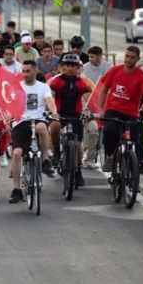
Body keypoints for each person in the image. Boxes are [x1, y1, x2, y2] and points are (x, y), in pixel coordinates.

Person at [98, 46, 143, 172]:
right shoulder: (115, 71)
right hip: (113, 110)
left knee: (135, 141)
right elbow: (103, 90)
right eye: (127, 56)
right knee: (109, 132)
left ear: (138, 59)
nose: (128, 60)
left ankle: (133, 175)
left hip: (131, 114)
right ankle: (110, 157)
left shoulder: (141, 76)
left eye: (132, 57)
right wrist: (101, 110)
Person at [9, 61, 59, 204]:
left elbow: (49, 101)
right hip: (20, 121)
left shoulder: (43, 87)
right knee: (17, 153)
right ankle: (16, 189)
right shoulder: (16, 87)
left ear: (35, 71)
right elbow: (10, 104)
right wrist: (8, 114)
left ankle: (45, 160)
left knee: (42, 128)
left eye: (28, 71)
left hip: (38, 119)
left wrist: (54, 112)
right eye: (23, 71)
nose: (25, 74)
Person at [48, 54, 91, 187]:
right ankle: (55, 150)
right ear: (62, 67)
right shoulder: (57, 81)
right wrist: (50, 111)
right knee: (54, 126)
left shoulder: (80, 82)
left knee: (78, 145)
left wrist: (90, 110)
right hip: (60, 115)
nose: (70, 68)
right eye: (67, 65)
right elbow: (51, 95)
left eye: (73, 66)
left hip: (76, 116)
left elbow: (87, 98)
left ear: (77, 68)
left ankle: (78, 171)